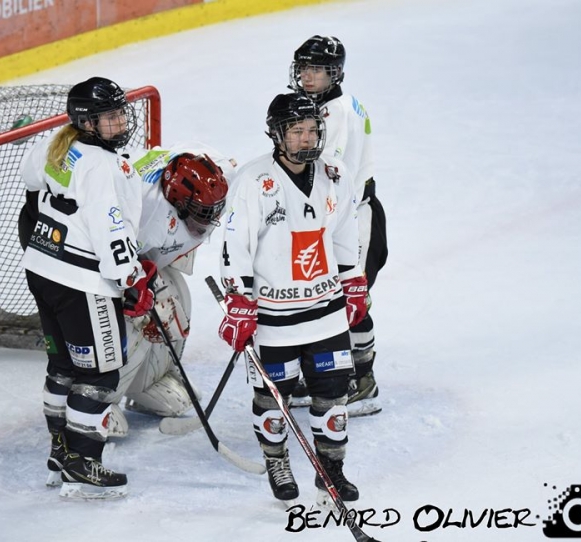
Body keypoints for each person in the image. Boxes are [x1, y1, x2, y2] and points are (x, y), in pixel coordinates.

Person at [218, 92, 368, 504]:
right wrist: (239, 300)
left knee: (333, 395)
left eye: (312, 130)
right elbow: (235, 247)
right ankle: (277, 461)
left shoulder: (336, 174)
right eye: (297, 131)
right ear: (276, 134)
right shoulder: (253, 181)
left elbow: (344, 233)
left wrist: (353, 280)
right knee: (272, 398)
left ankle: (331, 469)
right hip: (273, 318)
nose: (307, 139)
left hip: (326, 312)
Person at [19, 76, 156, 500]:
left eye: (119, 114)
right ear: (87, 122)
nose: (119, 122)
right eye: (108, 117)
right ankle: (83, 462)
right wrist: (130, 279)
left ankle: (60, 451)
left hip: (42, 268)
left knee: (63, 367)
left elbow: (30, 182)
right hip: (80, 281)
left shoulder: (56, 143)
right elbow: (109, 226)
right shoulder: (104, 166)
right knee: (100, 373)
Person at [288, 35, 388, 416]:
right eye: (304, 68)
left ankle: (363, 380)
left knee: (350, 298)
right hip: (344, 212)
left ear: (335, 73)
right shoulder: (333, 104)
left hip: (353, 216)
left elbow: (323, 171)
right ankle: (329, 373)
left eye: (317, 69)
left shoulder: (335, 113)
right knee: (327, 296)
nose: (308, 76)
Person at [108, 146, 234, 432]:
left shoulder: (218, 179)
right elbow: (104, 258)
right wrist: (135, 290)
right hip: (97, 264)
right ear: (178, 201)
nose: (209, 220)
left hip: (142, 258)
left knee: (176, 309)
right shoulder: (142, 212)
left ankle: (149, 383)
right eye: (202, 212)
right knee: (138, 318)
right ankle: (98, 399)